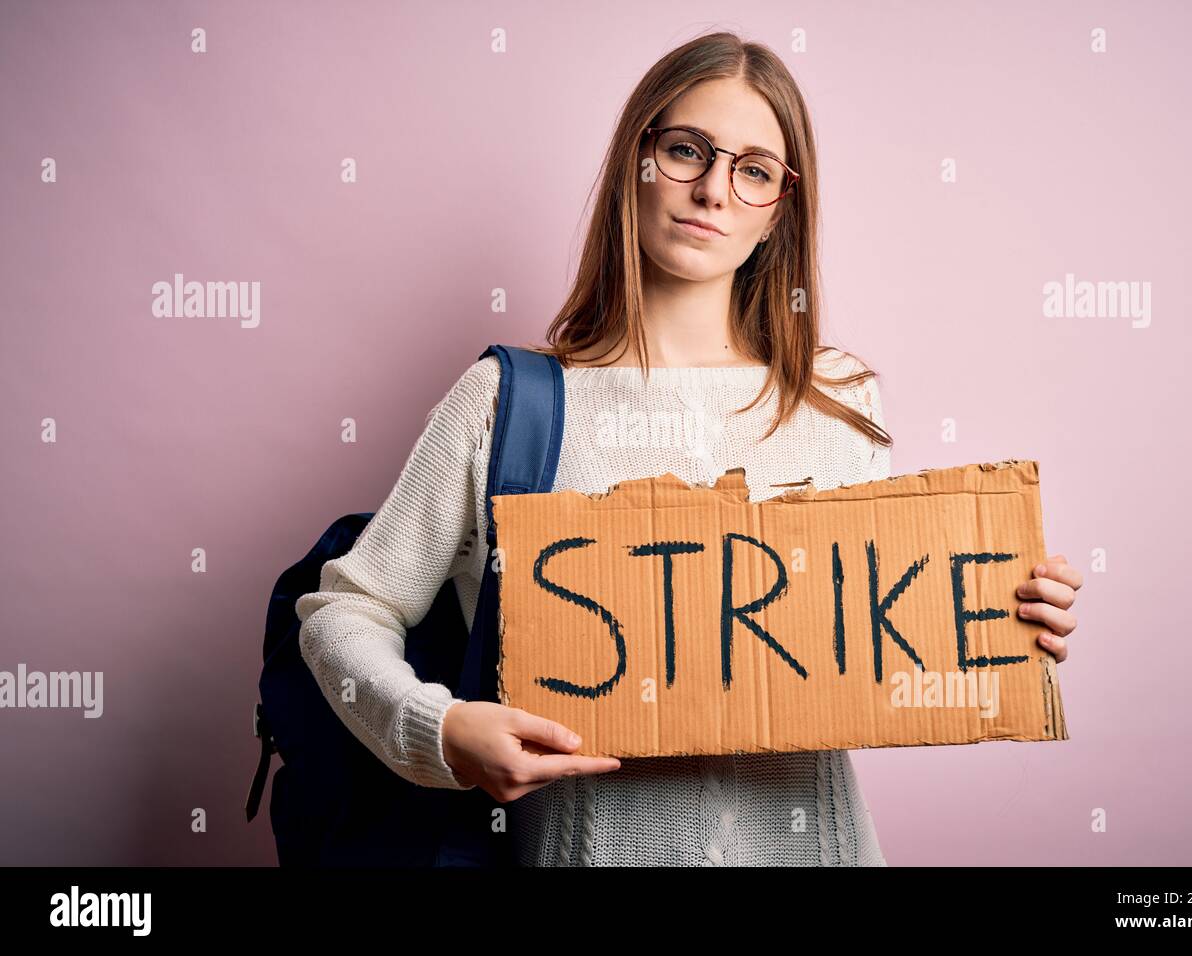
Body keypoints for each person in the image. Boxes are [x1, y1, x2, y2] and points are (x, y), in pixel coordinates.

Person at [294, 31, 1083, 867]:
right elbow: (346, 610)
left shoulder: (839, 401)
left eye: (751, 170)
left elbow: (875, 642)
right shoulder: (506, 404)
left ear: (782, 204)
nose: (712, 191)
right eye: (684, 151)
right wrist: (443, 728)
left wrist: (1007, 609)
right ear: (636, 161)